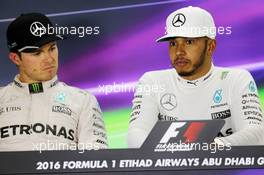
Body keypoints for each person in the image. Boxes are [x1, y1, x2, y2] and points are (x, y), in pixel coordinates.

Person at [127, 6, 264, 148]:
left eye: (189, 42)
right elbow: (136, 134)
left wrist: (208, 149)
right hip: (170, 170)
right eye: (173, 43)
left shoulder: (237, 79)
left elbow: (256, 133)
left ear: (210, 46)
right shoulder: (151, 82)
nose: (179, 52)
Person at [0, 13, 107, 151]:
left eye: (52, 48)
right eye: (37, 53)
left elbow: (96, 162)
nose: (49, 59)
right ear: (15, 58)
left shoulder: (83, 101)